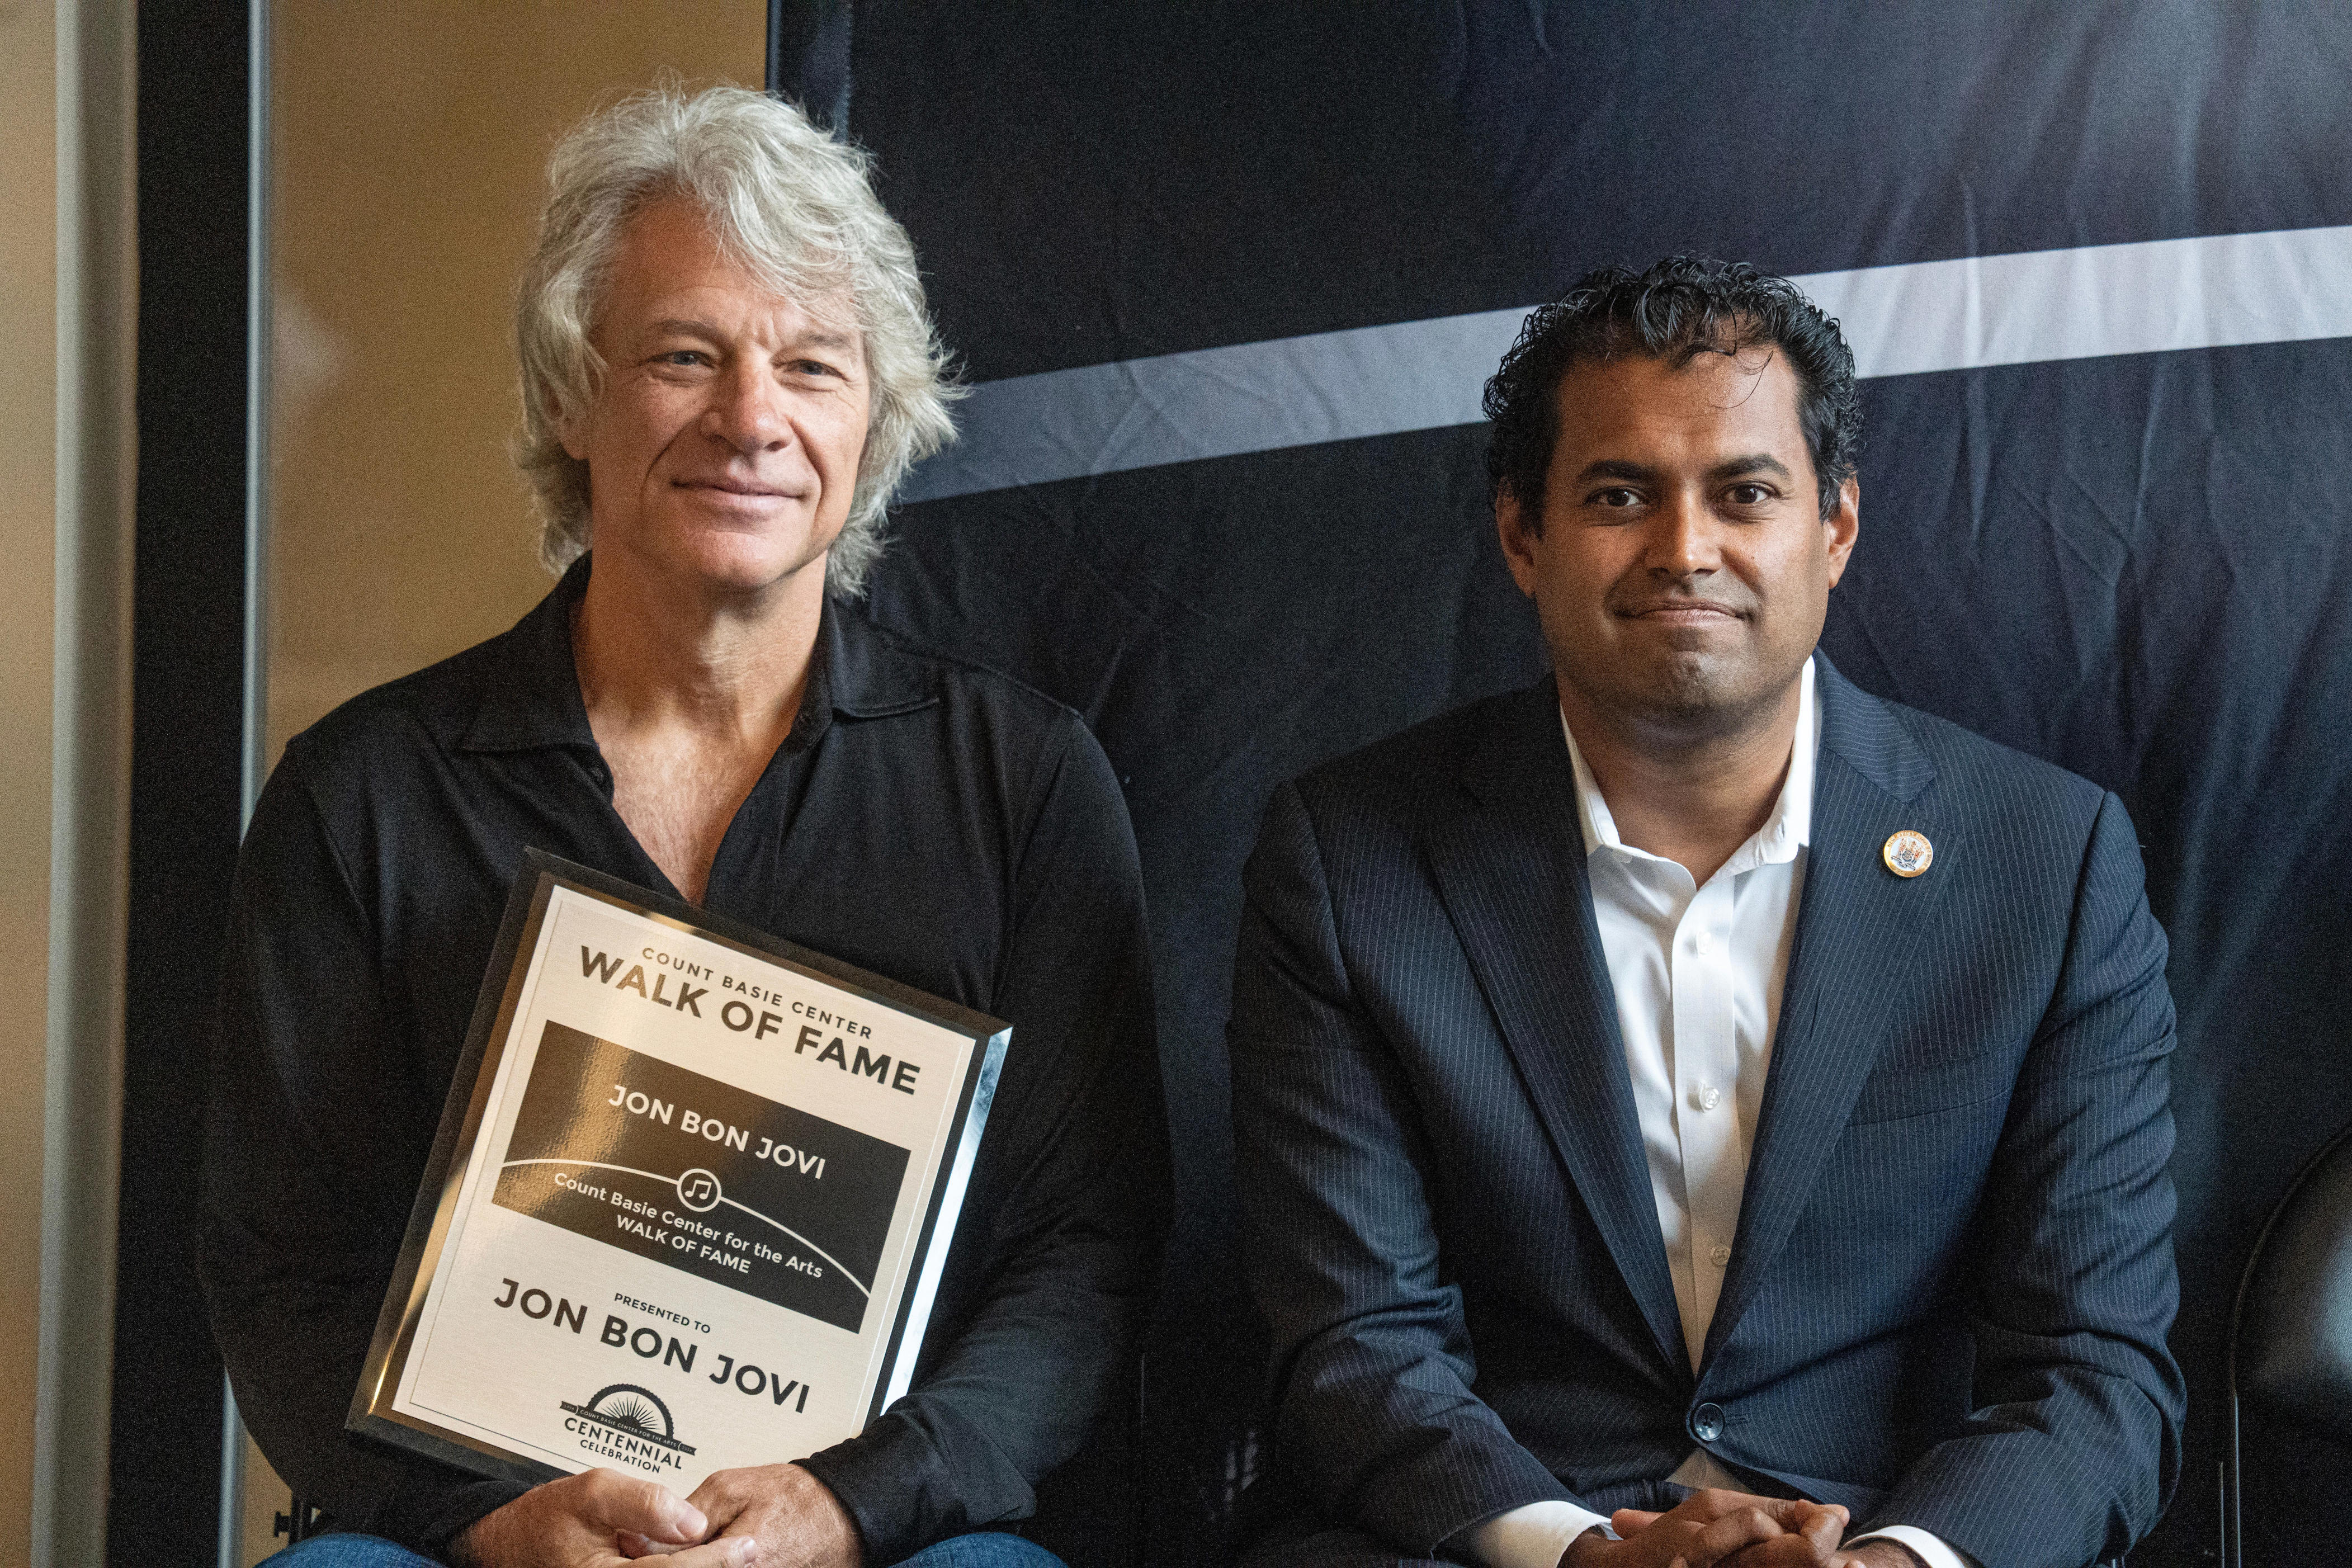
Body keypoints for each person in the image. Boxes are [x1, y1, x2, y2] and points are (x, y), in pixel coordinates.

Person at [199, 86, 1167, 1568]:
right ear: (571, 397)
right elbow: (282, 1271)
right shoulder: (365, 797)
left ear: (872, 422)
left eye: (811, 365)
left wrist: (852, 1505)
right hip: (482, 1536)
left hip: (891, 1539)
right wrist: (497, 1519)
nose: (751, 418)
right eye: (684, 356)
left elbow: (1084, 1253)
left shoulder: (1024, 784)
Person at [1227, 258, 2183, 1568]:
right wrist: (1586, 1554)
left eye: (1746, 493)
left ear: (1835, 527)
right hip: (1497, 1540)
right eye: (1620, 495)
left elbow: (2094, 1367)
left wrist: (1892, 1565)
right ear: (1523, 536)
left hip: (1882, 1527)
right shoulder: (1349, 860)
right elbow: (1354, 1338)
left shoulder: (2047, 862)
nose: (1685, 550)